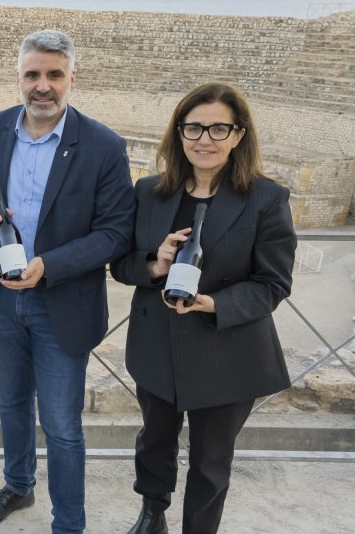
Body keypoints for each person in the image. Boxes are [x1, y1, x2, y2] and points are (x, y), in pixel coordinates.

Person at [0, 29, 135, 534]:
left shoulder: (103, 145)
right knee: (13, 403)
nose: (43, 86)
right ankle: (18, 487)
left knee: (61, 426)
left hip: (61, 300)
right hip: (0, 295)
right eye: (32, 74)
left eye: (54, 75)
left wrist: (50, 265)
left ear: (72, 80)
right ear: (18, 78)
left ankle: (69, 524)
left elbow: (115, 231)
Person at [110, 82, 295, 534]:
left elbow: (273, 283)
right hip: (158, 346)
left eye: (218, 128)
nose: (204, 139)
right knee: (154, 441)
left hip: (226, 349)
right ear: (178, 133)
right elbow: (121, 264)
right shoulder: (149, 191)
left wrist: (214, 304)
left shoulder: (267, 198)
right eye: (193, 127)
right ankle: (153, 513)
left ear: (238, 135)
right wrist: (157, 263)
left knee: (211, 460)